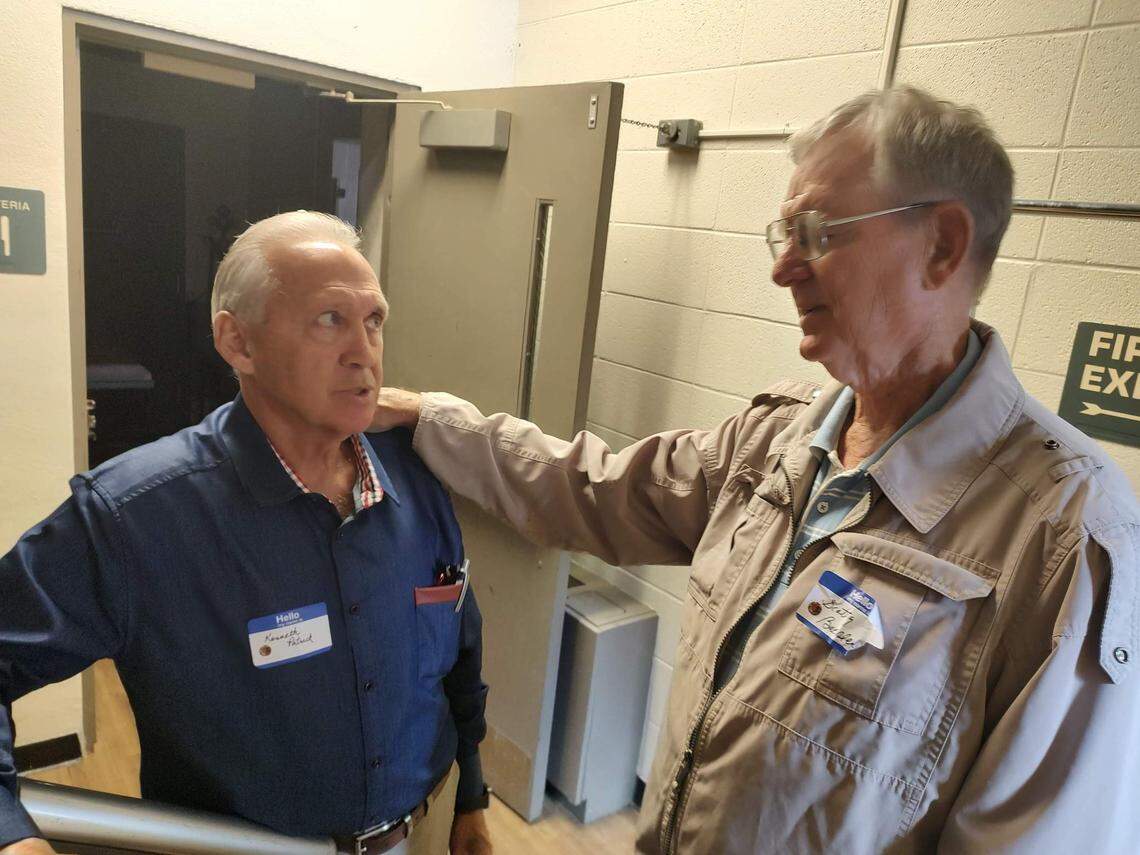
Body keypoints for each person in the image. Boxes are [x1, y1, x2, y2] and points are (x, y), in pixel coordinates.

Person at [372, 86, 1140, 853]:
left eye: (817, 232)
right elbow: (591, 488)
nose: (784, 269)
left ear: (942, 245)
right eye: (784, 232)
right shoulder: (780, 439)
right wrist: (428, 418)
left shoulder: (1064, 536)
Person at [0, 212, 492, 855]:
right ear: (238, 343)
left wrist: (473, 795)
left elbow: (460, 651)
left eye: (373, 321)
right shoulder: (135, 519)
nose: (363, 352)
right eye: (328, 320)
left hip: (423, 830)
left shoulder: (419, 479)